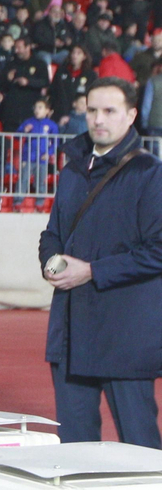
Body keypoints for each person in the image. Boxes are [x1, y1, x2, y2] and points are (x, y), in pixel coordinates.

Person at [40, 78, 162, 448]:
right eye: (92, 110)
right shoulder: (73, 170)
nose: (98, 119)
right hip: (71, 332)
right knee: (75, 449)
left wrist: (91, 271)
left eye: (109, 111)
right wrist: (52, 264)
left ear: (131, 116)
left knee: (141, 448)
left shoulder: (150, 173)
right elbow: (52, 235)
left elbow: (158, 249)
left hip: (126, 333)